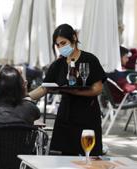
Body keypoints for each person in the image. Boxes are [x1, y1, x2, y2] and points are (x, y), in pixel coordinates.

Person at [29, 24, 106, 156]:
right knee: (65, 158)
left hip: (87, 115)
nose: (60, 48)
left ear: (74, 38)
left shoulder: (89, 59)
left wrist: (76, 92)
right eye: (57, 45)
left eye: (63, 43)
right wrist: (23, 97)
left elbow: (98, 88)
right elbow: (44, 88)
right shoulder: (58, 64)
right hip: (66, 116)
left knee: (89, 157)